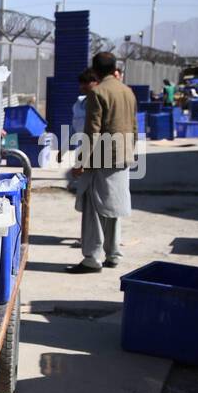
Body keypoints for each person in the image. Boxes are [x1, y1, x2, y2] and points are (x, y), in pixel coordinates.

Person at [68, 51, 138, 273]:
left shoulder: (98, 93)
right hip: (123, 156)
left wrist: (82, 161)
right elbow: (135, 127)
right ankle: (113, 253)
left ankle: (92, 258)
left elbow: (93, 132)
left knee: (94, 208)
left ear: (95, 70)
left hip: (102, 159)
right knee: (113, 207)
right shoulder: (128, 91)